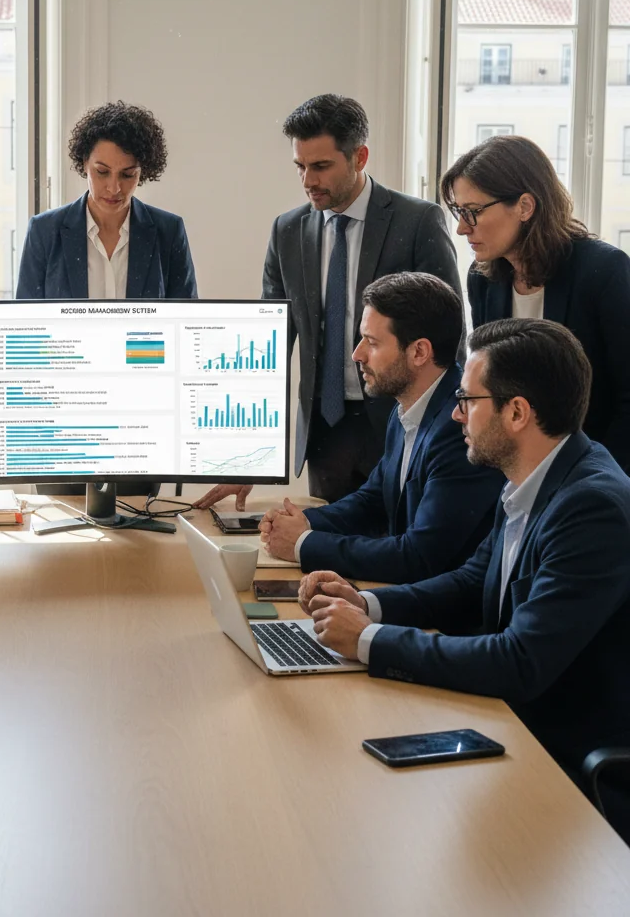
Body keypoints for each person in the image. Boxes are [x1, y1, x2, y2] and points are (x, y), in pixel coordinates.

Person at [299, 318, 630, 841]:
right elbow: (474, 581)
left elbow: (519, 661)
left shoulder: (591, 506)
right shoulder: (536, 473)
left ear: (517, 412)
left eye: (467, 399)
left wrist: (367, 641)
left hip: (561, 766)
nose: (455, 413)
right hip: (507, 724)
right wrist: (368, 604)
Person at [201, 95, 462, 507]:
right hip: (325, 431)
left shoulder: (417, 222)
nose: (308, 181)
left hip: (404, 421)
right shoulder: (287, 231)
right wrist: (245, 456)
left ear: (360, 156)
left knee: (404, 553)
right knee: (327, 552)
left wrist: (444, 429)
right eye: (300, 166)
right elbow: (267, 346)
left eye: (321, 166)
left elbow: (450, 337)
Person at [254, 273, 503, 582]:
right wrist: (301, 521)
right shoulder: (407, 407)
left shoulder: (460, 427)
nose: (357, 354)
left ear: (419, 352)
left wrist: (304, 544)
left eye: (371, 342)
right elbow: (373, 499)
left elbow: (418, 556)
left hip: (442, 616)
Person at [444, 134, 630, 474]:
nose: (460, 228)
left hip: (598, 473)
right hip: (516, 473)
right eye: (459, 211)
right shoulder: (482, 279)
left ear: (525, 207)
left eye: (472, 212)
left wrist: (600, 480)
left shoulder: (604, 272)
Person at [16, 101, 197, 300]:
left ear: (142, 171)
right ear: (85, 163)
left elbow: (186, 318)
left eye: (127, 175)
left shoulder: (169, 231)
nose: (114, 188)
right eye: (102, 172)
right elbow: (25, 320)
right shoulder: (44, 231)